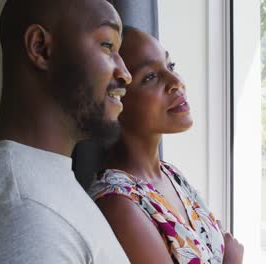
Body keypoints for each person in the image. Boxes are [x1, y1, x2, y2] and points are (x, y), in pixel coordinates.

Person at [0, 0, 132, 263]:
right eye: (107, 45)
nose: (125, 73)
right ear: (40, 48)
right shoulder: (24, 221)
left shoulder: (41, 186)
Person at [88, 27, 244, 264]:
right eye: (150, 77)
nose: (176, 82)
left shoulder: (172, 175)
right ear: (115, 99)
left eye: (170, 66)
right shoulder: (118, 203)